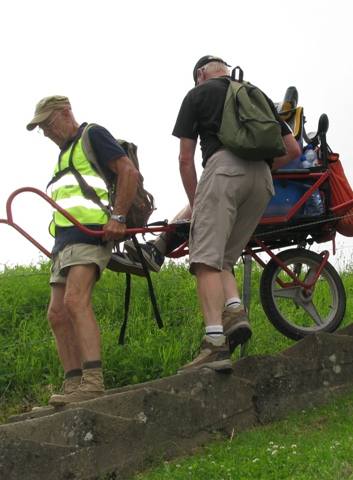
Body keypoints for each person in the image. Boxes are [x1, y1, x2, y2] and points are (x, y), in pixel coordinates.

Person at [170, 55, 300, 374]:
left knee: (204, 259)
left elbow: (185, 159)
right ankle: (234, 310)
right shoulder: (256, 94)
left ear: (201, 74)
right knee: (224, 259)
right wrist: (260, 170)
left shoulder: (197, 94)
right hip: (262, 181)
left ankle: (214, 344)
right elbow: (293, 150)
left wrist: (196, 206)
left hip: (223, 171)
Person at [26, 95, 139, 406]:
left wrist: (118, 217)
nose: (46, 132)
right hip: (63, 242)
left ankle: (92, 382)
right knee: (57, 314)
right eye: (41, 129)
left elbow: (128, 171)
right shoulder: (63, 154)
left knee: (75, 301)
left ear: (66, 114)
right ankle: (73, 384)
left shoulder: (92, 135)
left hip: (90, 235)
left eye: (48, 124)